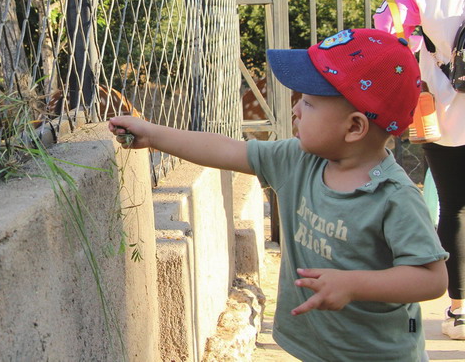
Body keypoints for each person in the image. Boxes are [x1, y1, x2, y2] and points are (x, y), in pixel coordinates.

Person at [109, 28, 448, 362]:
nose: (296, 109)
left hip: (378, 355)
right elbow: (227, 150)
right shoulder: (297, 160)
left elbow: (431, 278)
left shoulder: (394, 196)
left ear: (354, 127)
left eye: (310, 103)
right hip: (314, 347)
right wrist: (154, 135)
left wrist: (355, 284)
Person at [373, 0, 465, 341]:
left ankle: (459, 311)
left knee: (453, 206)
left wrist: (421, 60)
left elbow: (386, 25)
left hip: (445, 104)